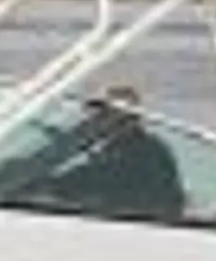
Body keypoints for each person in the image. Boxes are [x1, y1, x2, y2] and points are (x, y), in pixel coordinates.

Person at [42, 85, 187, 222]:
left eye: (105, 115)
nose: (94, 120)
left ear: (129, 120)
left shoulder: (143, 153)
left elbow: (97, 178)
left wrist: (50, 186)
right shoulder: (113, 147)